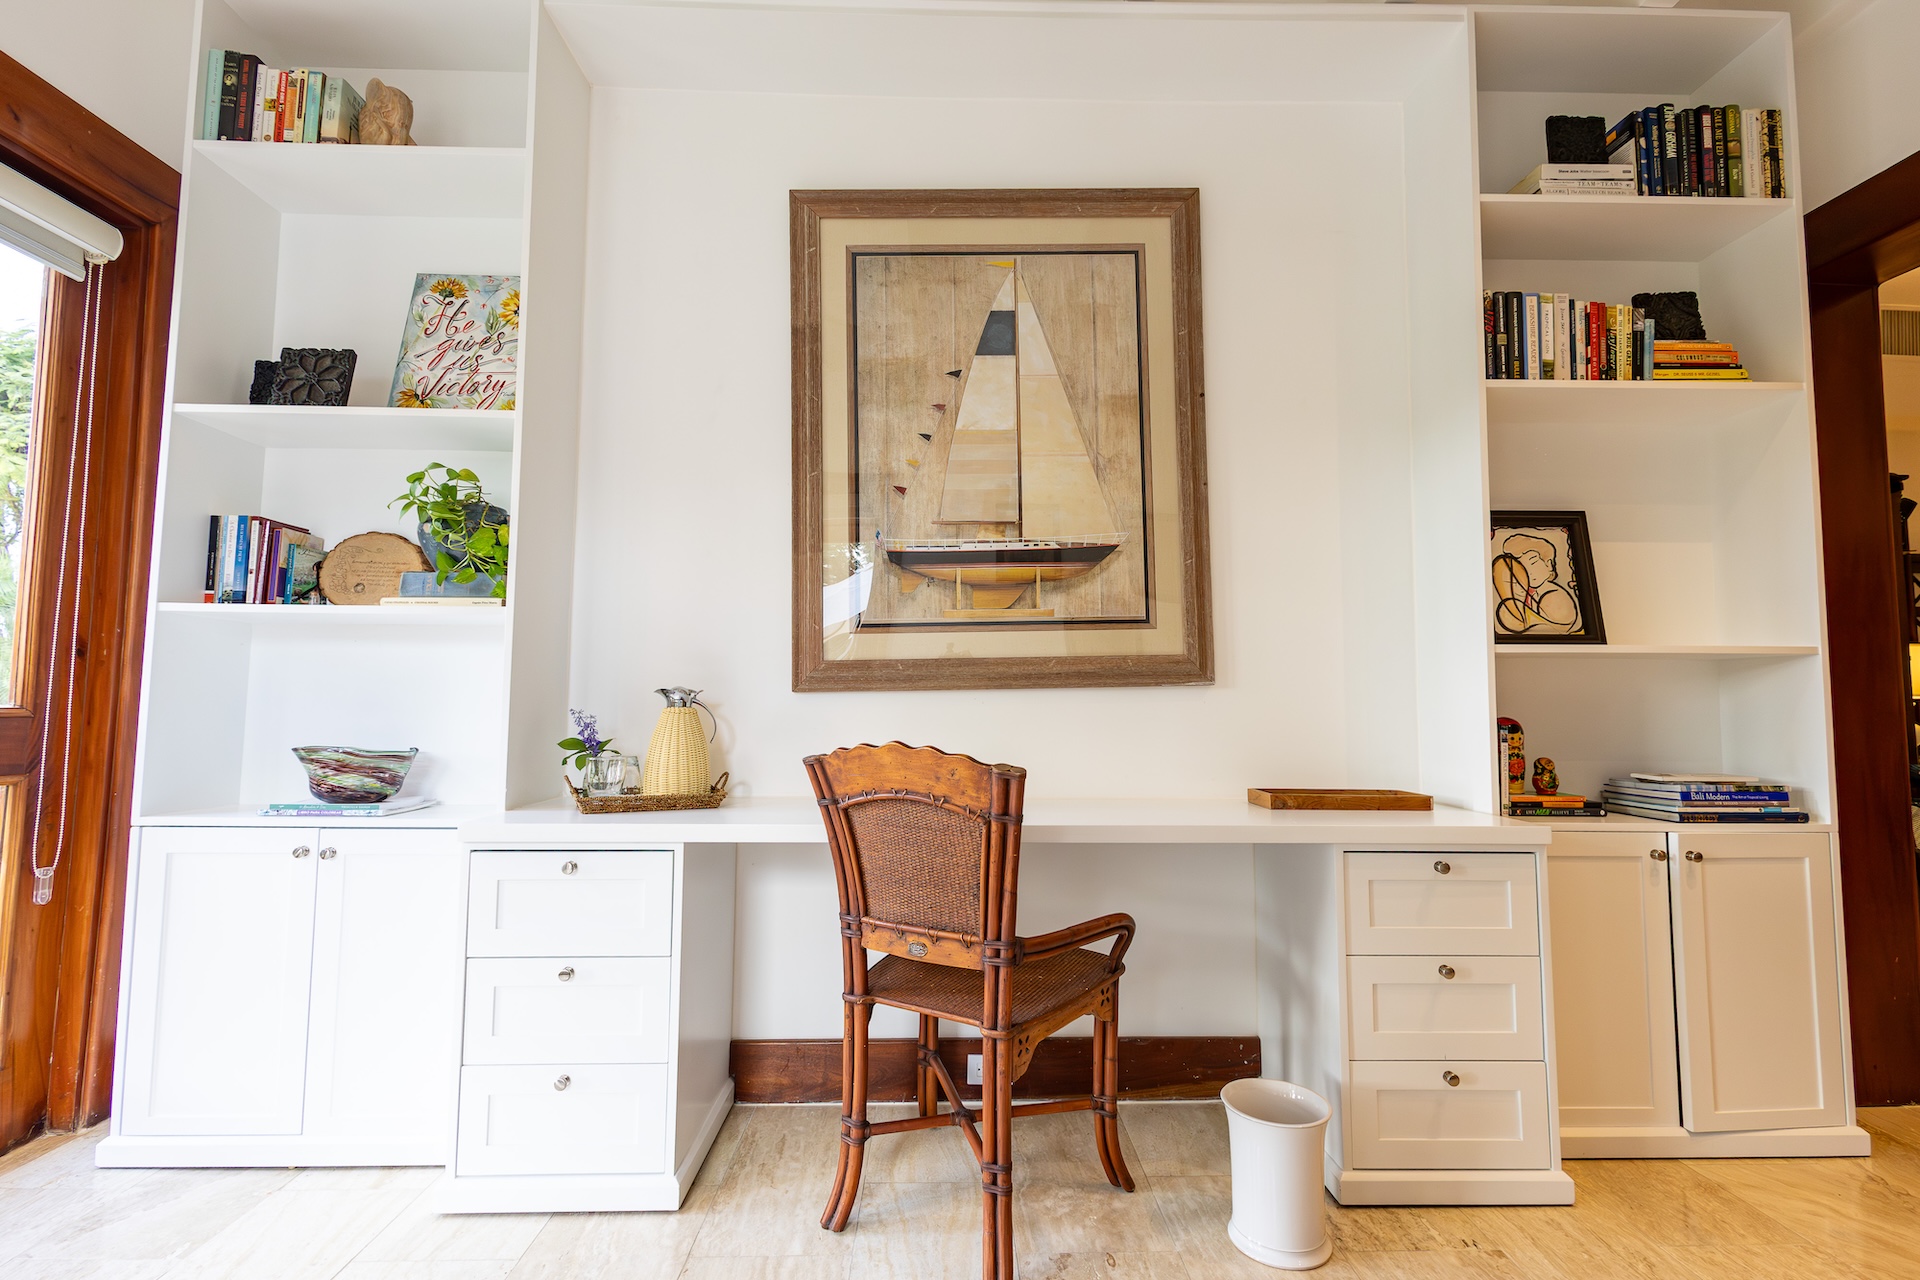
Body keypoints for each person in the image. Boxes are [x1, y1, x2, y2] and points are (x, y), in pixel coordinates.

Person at [1492, 532, 1580, 635]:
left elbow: (1551, 631)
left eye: (1533, 563)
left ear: (1548, 564)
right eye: (1522, 567)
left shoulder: (1554, 596)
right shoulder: (1525, 594)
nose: (1528, 571)